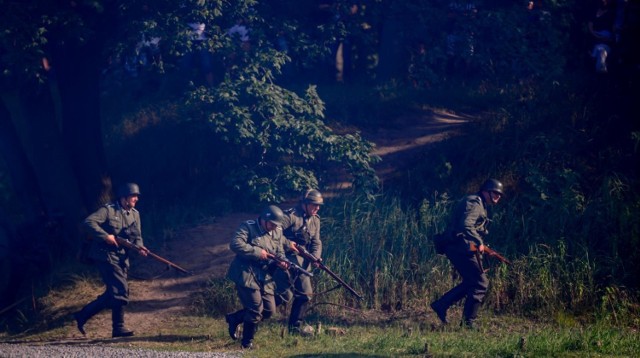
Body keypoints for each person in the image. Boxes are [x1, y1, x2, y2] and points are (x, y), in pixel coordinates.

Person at [74, 182, 149, 338]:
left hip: (122, 258)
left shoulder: (135, 214)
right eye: (133, 196)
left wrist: (140, 248)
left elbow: (137, 237)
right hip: (104, 256)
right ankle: (118, 328)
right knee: (120, 290)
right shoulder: (108, 210)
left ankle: (82, 315)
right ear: (124, 197)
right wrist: (105, 236)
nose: (136, 199)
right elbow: (88, 222)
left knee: (113, 294)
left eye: (137, 196)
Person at [430, 178, 504, 329]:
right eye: (495, 193)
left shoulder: (480, 204)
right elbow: (466, 225)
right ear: (486, 191)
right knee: (481, 283)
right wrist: (479, 242)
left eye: (499, 194)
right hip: (458, 247)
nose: (498, 196)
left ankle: (441, 305)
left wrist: (480, 245)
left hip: (461, 247)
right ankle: (468, 322)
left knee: (473, 282)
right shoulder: (475, 202)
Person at [224, 205, 293, 349]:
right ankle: (247, 343)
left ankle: (235, 318)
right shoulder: (248, 227)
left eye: (276, 225)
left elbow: (279, 251)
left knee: (268, 310)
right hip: (246, 273)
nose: (274, 228)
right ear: (264, 219)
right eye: (272, 224)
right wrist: (257, 252)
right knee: (255, 310)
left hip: (264, 275)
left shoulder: (277, 231)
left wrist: (282, 262)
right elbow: (235, 244)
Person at [276, 189, 324, 334]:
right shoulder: (290, 216)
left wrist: (315, 257)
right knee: (282, 296)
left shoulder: (315, 220)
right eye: (314, 205)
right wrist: (288, 243)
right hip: (283, 258)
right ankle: (248, 318)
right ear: (304, 204)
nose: (317, 208)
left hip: (303, 261)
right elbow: (273, 233)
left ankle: (295, 328)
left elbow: (316, 242)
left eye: (319, 205)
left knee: (304, 295)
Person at [588, 0, 617, 73]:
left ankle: (601, 68)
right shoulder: (594, 11)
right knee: (601, 50)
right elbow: (590, 26)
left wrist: (611, 37)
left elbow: (614, 28)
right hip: (597, 36)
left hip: (606, 38)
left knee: (602, 50)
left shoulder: (611, 13)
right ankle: (600, 68)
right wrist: (596, 36)